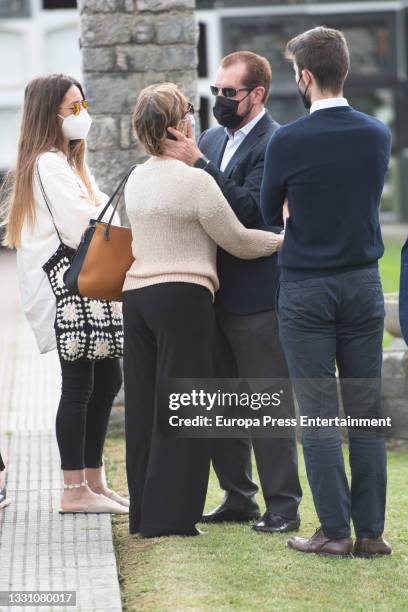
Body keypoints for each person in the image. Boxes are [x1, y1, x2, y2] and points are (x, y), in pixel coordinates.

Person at [123, 82, 283, 538]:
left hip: (137, 299)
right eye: (190, 111)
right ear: (179, 125)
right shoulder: (195, 181)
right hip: (184, 298)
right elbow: (239, 240)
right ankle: (171, 518)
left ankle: (144, 515)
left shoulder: (136, 177)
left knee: (145, 408)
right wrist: (283, 239)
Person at [261, 27, 392, 557]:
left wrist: (297, 207)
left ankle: (334, 532)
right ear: (345, 71)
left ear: (305, 76)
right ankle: (372, 534)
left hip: (307, 287)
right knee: (364, 412)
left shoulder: (287, 140)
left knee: (318, 415)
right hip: (364, 285)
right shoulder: (377, 134)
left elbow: (271, 211)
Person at [162, 52, 302, 534]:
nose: (218, 100)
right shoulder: (211, 136)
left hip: (258, 296)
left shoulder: (277, 141)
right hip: (210, 292)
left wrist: (199, 165)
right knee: (221, 401)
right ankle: (238, 496)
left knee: (267, 403)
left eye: (229, 93)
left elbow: (255, 212)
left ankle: (282, 506)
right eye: (215, 92)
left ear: (257, 95)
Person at [2, 74, 128, 515]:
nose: (82, 115)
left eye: (83, 104)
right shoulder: (48, 164)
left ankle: (93, 481)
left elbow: (95, 212)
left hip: (90, 287)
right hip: (72, 289)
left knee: (107, 379)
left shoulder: (67, 161)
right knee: (79, 386)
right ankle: (73, 490)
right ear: (48, 115)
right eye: (73, 107)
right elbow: (83, 226)